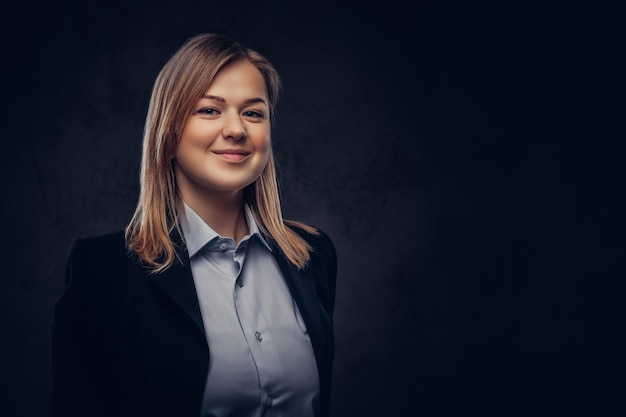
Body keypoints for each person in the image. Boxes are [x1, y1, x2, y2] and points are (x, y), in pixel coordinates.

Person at [51, 33, 337, 417]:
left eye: (253, 112)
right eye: (209, 110)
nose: (236, 129)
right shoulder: (102, 272)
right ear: (168, 134)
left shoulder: (313, 255)